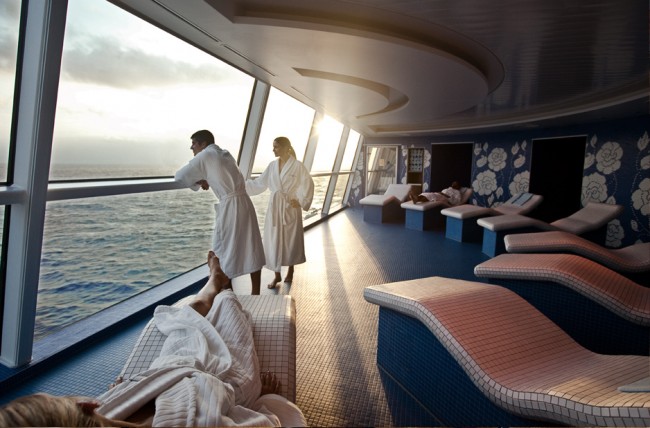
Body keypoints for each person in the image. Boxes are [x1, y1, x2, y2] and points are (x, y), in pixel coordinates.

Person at [0, 251, 307, 427]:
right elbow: (276, 422)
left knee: (186, 317)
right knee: (230, 310)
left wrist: (129, 391)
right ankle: (221, 288)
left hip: (169, 369)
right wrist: (267, 400)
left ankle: (213, 281)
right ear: (86, 405)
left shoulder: (112, 406)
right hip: (228, 379)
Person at [175, 129, 266, 294]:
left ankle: (228, 295)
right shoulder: (225, 154)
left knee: (222, 252)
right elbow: (221, 175)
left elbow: (180, 176)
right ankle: (256, 293)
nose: (191, 147)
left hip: (230, 207)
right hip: (244, 202)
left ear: (203, 144)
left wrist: (199, 181)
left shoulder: (205, 155)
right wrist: (205, 179)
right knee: (251, 246)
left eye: (194, 143)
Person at [246, 136, 314, 289]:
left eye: (276, 147)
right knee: (273, 240)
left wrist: (301, 201)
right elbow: (259, 183)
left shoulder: (297, 166)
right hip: (275, 207)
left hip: (290, 206)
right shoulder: (272, 165)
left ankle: (291, 270)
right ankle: (276, 275)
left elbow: (308, 183)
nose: (273, 150)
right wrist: (240, 185)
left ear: (285, 148)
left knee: (290, 240)